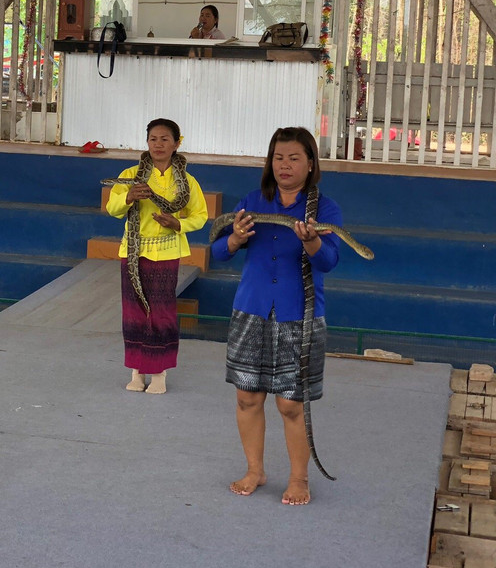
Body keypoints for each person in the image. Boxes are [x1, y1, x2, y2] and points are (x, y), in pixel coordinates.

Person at [210, 126, 341, 506]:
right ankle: (255, 470)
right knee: (248, 397)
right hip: (251, 309)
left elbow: (329, 261)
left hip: (299, 315)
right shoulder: (253, 201)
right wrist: (234, 237)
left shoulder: (324, 209)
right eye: (278, 158)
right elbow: (219, 252)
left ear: (310, 163)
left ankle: (299, 479)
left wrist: (312, 240)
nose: (284, 165)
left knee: (290, 403)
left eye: (294, 158)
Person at [105, 119, 208, 394]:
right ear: (146, 142)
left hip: (166, 252)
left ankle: (159, 373)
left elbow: (200, 215)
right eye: (153, 139)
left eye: (164, 139)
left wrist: (178, 224)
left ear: (176, 143)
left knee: (161, 312)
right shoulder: (130, 174)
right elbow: (112, 208)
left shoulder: (185, 180)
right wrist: (127, 197)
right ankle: (137, 372)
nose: (158, 144)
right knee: (134, 312)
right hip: (133, 251)